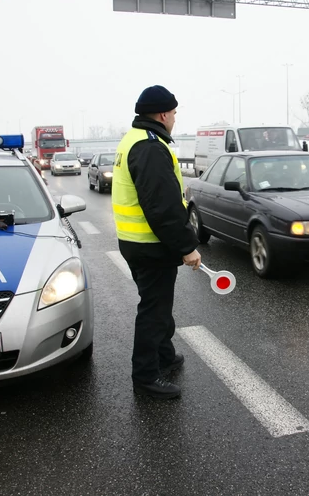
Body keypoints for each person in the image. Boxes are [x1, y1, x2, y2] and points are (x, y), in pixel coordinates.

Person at [112, 85, 202, 400]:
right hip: (150, 246)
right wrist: (186, 247)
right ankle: (146, 377)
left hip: (136, 242)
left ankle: (164, 355)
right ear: (163, 114)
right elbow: (163, 208)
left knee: (158, 305)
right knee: (154, 310)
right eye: (174, 113)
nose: (175, 119)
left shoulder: (132, 139)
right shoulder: (151, 147)